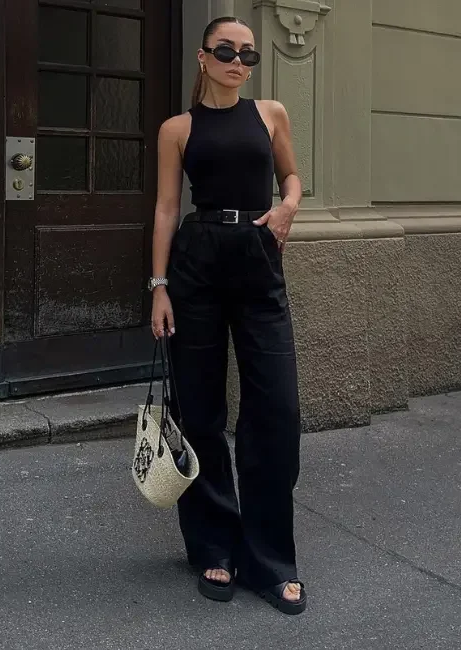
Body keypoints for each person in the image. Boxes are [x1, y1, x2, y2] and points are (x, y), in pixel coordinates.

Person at [148, 16, 305, 615]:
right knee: (201, 410)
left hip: (259, 257)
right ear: (202, 56)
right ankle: (214, 545)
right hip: (197, 263)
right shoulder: (177, 129)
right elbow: (166, 208)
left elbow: (291, 178)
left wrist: (288, 208)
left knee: (276, 409)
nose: (238, 62)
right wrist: (159, 287)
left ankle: (270, 559)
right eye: (226, 51)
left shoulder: (271, 114)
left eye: (248, 54)